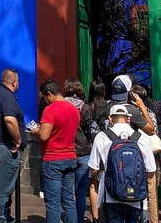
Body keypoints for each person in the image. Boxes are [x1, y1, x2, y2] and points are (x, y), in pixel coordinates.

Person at [89, 105, 155, 223]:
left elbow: (93, 169)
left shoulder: (102, 137)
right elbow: (150, 170)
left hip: (110, 197)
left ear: (110, 119)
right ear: (128, 119)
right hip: (137, 198)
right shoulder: (140, 138)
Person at [31, 80, 80, 223]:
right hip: (70, 156)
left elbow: (44, 135)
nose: (44, 101)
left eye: (44, 98)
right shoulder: (73, 109)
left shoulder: (50, 109)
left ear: (49, 94)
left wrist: (36, 131)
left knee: (53, 203)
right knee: (69, 201)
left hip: (53, 158)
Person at [0, 68, 27, 223]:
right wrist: (18, 139)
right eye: (18, 81)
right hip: (3, 146)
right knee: (3, 187)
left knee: (3, 184)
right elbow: (9, 119)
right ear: (13, 82)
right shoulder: (7, 97)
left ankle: (5, 216)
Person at [63, 78, 92, 223]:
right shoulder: (85, 108)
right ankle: (79, 219)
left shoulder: (60, 105)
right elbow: (89, 131)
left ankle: (69, 218)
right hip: (83, 151)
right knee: (80, 192)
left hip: (67, 150)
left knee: (67, 191)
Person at [130, 84, 160, 223]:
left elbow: (153, 131)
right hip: (147, 159)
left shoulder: (134, 114)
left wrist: (141, 108)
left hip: (142, 159)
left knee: (148, 195)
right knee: (149, 195)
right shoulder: (146, 113)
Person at [87, 79, 106, 223]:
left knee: (94, 184)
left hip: (92, 150)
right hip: (106, 150)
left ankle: (95, 217)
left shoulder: (87, 108)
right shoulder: (107, 107)